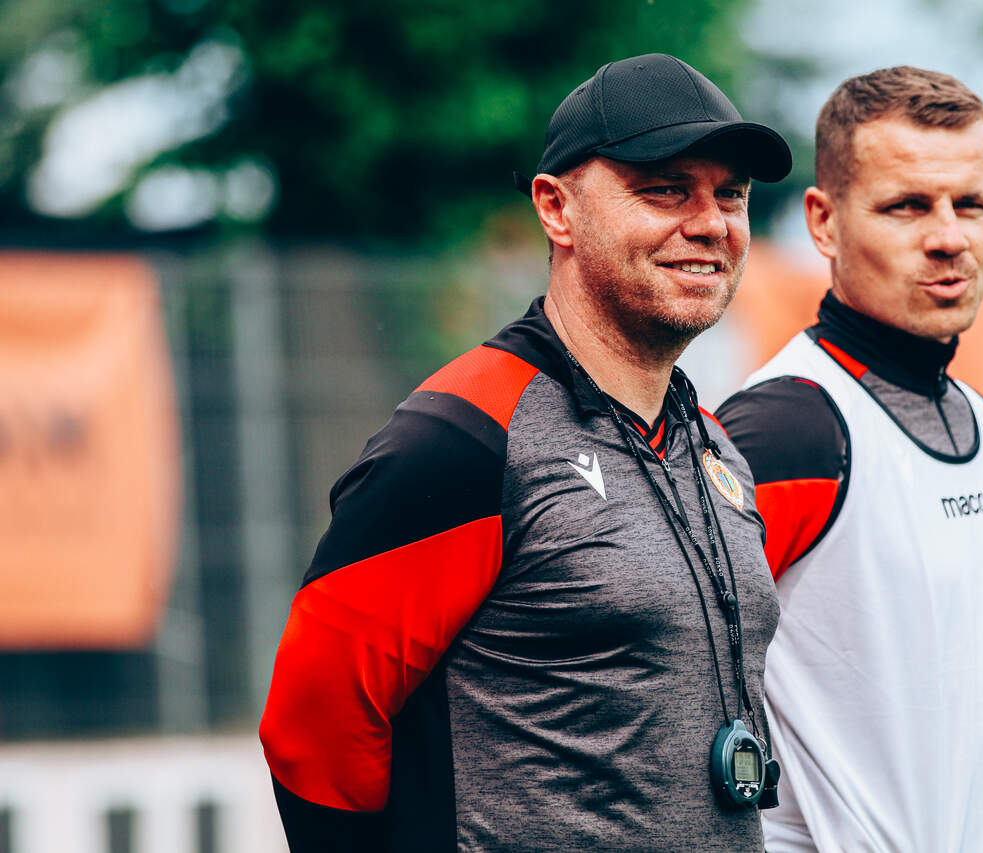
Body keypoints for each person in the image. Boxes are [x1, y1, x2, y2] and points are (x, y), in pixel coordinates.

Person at [259, 53, 792, 852]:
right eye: (666, 189)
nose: (711, 223)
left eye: (732, 194)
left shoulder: (715, 448)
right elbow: (310, 731)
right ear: (556, 208)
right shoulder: (461, 438)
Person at [715, 66, 983, 852]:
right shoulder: (782, 430)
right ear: (824, 223)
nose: (949, 236)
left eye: (972, 204)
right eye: (907, 206)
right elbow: (665, 692)